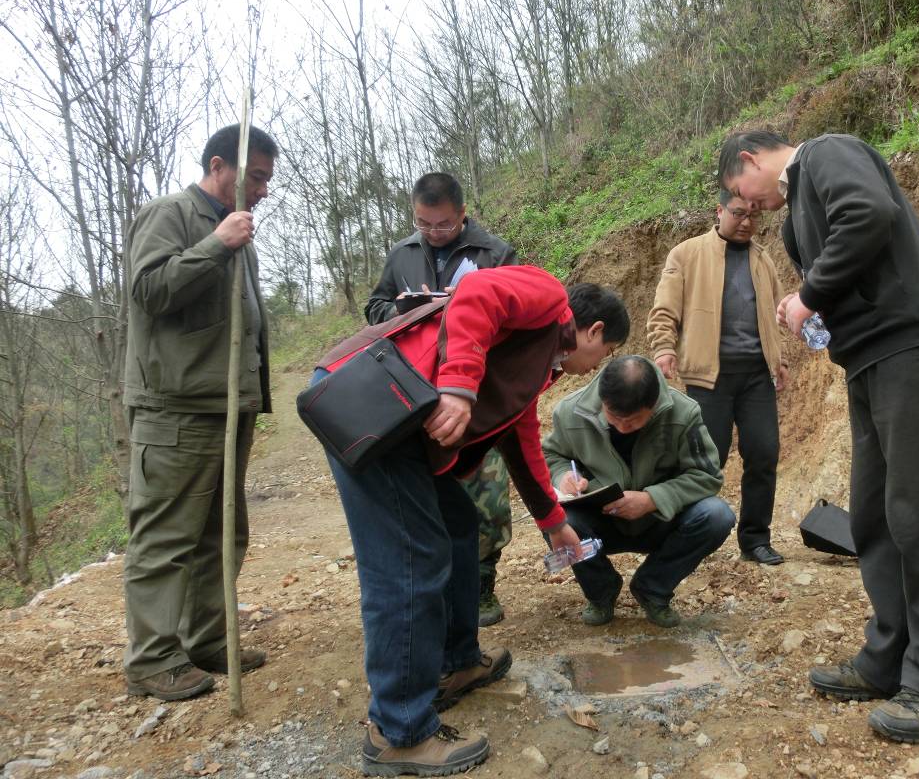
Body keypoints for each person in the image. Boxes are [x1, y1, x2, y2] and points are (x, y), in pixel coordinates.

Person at [313, 267, 628, 776]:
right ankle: (398, 731)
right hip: (370, 395)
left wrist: (553, 522)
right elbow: (477, 292)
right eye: (606, 352)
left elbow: (522, 436)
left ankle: (455, 663)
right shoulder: (548, 298)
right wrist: (459, 386)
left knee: (459, 524)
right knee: (410, 558)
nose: (598, 364)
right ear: (594, 331)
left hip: (403, 414)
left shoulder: (539, 363)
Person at [718, 130, 919, 744]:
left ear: (751, 159)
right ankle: (890, 658)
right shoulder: (794, 219)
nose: (746, 204)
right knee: (874, 516)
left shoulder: (826, 153)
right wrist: (808, 305)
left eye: (739, 189)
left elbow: (869, 214)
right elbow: (847, 265)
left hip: (911, 345)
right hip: (867, 360)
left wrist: (808, 297)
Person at [121, 124, 279, 701]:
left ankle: (207, 639)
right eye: (254, 176)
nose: (262, 189)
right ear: (218, 167)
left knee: (221, 531)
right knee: (166, 536)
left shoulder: (235, 228)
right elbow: (149, 291)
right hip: (177, 410)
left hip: (227, 407)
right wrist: (217, 244)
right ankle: (152, 659)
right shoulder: (171, 214)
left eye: (266, 178)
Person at [364, 172, 519, 627]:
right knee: (428, 492)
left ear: (462, 214)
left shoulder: (494, 253)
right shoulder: (402, 253)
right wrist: (401, 309)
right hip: (415, 390)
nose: (433, 232)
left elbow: (517, 316)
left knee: (486, 492)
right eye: (424, 223)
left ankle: (482, 584)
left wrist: (470, 307)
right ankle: (438, 586)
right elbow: (374, 309)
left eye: (444, 224)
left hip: (477, 392)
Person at [647, 190, 788, 565]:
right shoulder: (686, 254)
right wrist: (664, 348)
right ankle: (690, 536)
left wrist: (780, 360)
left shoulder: (763, 260)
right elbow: (664, 309)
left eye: (753, 216)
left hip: (757, 376)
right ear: (720, 210)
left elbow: (774, 315)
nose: (746, 222)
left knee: (764, 454)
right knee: (706, 461)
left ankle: (755, 539)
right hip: (709, 377)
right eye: (738, 213)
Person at [543, 355, 734, 628]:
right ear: (602, 400)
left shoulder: (683, 413)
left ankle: (652, 588)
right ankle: (600, 591)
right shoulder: (571, 411)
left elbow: (707, 475)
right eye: (613, 417)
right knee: (555, 520)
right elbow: (552, 455)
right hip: (599, 523)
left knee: (717, 516)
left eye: (633, 421)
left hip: (660, 520)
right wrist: (564, 476)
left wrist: (653, 499)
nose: (622, 427)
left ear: (653, 405)